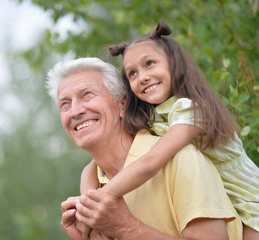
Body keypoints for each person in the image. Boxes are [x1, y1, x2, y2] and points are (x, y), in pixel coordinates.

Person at [79, 21, 259, 239]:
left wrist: (103, 199)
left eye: (150, 64)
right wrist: (87, 203)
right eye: (132, 74)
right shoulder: (155, 116)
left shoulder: (192, 109)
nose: (142, 77)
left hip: (250, 202)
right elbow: (95, 164)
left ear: (174, 64)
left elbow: (151, 162)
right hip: (224, 201)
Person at [46, 57, 242, 239]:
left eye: (87, 94)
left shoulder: (179, 159)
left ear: (122, 104)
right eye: (65, 104)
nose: (75, 111)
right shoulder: (91, 184)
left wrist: (127, 228)